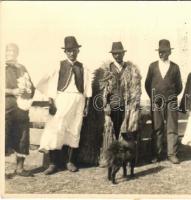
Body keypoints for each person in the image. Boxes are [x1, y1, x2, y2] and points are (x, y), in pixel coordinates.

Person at [36, 36, 93, 174]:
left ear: (78, 51)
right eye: (69, 50)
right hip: (61, 99)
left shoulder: (83, 67)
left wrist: (86, 106)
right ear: (65, 52)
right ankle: (53, 163)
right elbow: (48, 83)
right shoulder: (58, 65)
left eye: (74, 50)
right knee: (56, 129)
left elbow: (87, 89)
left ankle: (70, 162)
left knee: (75, 130)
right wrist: (51, 101)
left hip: (78, 100)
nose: (72, 53)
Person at [98, 41, 141, 159]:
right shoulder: (107, 69)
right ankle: (112, 157)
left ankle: (125, 157)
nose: (117, 56)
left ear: (123, 53)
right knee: (112, 131)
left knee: (126, 132)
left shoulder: (131, 69)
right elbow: (102, 90)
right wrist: (105, 105)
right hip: (113, 105)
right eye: (115, 54)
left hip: (127, 107)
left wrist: (133, 105)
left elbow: (136, 88)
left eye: (119, 53)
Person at [145, 39, 183, 164]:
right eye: (160, 51)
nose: (161, 54)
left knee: (172, 128)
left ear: (169, 52)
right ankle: (156, 154)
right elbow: (147, 84)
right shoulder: (152, 66)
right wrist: (155, 97)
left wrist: (170, 96)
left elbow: (179, 86)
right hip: (156, 102)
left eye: (164, 51)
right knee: (157, 128)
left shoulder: (175, 67)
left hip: (171, 101)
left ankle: (172, 154)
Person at [5, 43, 35, 177]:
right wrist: (12, 91)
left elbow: (31, 86)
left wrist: (29, 91)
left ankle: (20, 168)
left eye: (14, 51)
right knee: (3, 136)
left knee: (23, 136)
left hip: (22, 107)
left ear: (17, 53)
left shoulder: (22, 68)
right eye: (9, 51)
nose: (11, 53)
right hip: (6, 106)